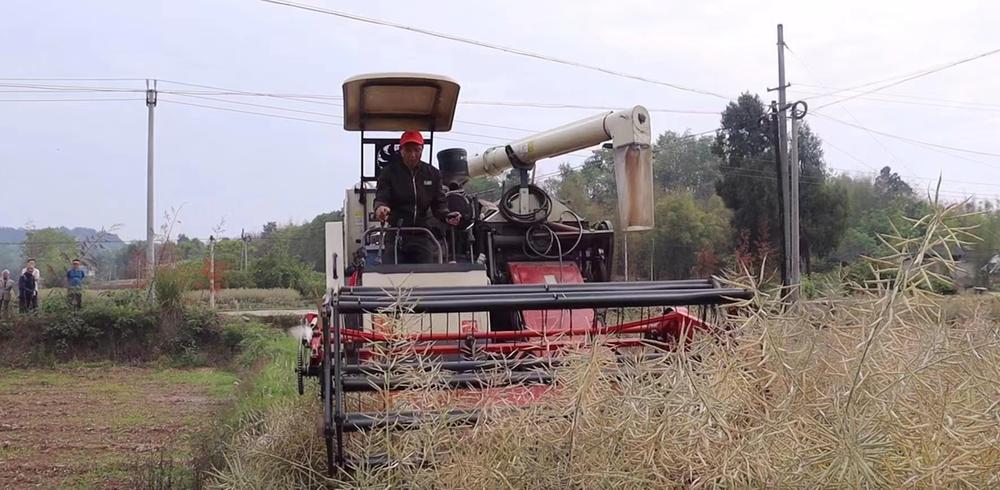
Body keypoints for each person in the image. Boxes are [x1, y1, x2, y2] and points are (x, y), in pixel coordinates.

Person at [373, 130, 461, 264]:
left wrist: (447, 216)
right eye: (408, 150)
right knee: (391, 275)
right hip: (396, 234)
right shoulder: (388, 173)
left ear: (422, 150)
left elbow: (439, 204)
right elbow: (381, 197)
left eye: (417, 150)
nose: (413, 155)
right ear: (401, 150)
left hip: (422, 234)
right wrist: (380, 208)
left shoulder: (433, 173)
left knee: (426, 276)